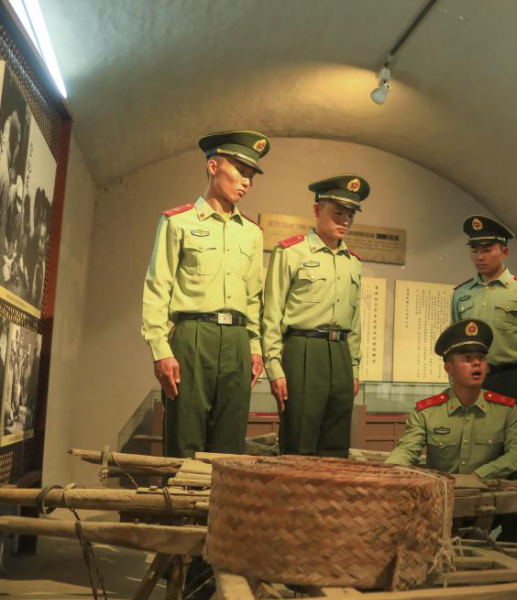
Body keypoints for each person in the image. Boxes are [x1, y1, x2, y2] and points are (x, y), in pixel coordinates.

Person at [141, 131, 269, 458]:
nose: (246, 182)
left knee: (230, 442)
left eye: (251, 176)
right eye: (240, 171)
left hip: (237, 339)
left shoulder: (252, 234)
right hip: (193, 335)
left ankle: (221, 496)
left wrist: (255, 347)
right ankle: (183, 495)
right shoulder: (178, 222)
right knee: (185, 437)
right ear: (213, 166)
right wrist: (160, 349)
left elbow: (253, 297)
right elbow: (157, 287)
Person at [385, 318, 517, 543]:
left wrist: (478, 476)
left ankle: (512, 546)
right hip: (442, 504)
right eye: (467, 358)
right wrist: (386, 474)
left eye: (481, 358)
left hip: (489, 500)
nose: (476, 363)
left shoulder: (505, 410)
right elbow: (406, 450)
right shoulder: (427, 412)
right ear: (449, 368)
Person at [262, 175, 367, 457]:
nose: (345, 221)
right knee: (299, 441)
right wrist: (274, 367)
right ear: (317, 209)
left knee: (336, 446)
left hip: (341, 354)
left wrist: (354, 368)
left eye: (350, 215)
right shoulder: (291, 252)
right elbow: (271, 314)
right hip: (303, 350)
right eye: (338, 213)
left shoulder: (353, 263)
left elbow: (355, 321)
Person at [452, 215, 517, 426]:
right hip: (469, 382)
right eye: (475, 250)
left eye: (487, 250)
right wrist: (454, 386)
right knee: (470, 442)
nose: (480, 257)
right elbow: (453, 348)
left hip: (508, 379)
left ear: (504, 252)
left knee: (512, 441)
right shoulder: (461, 294)